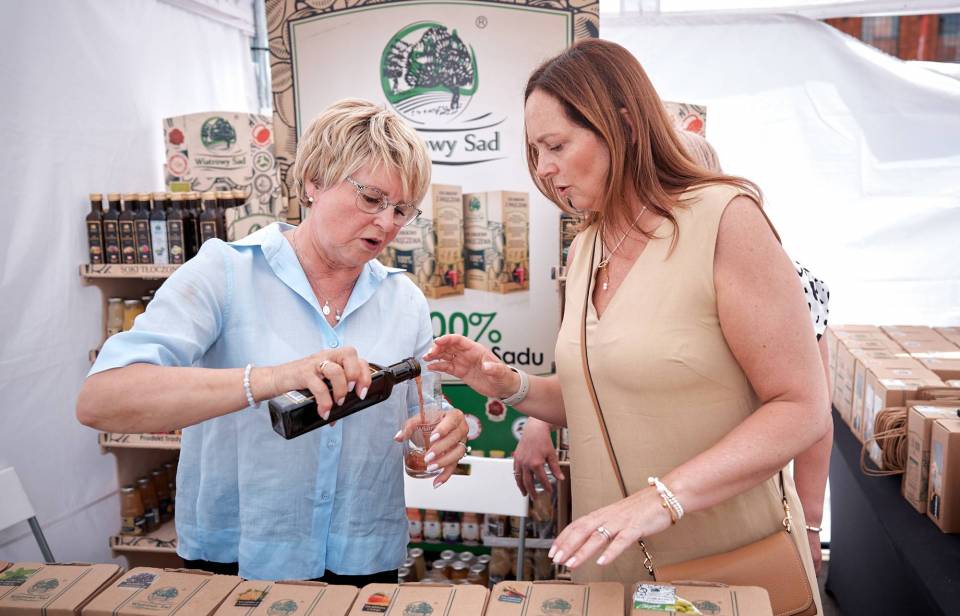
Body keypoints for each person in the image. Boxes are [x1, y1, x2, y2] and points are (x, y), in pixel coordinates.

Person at [424, 39, 828, 611]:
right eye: (535, 151)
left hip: (723, 569)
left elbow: (802, 406)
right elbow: (599, 398)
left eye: (556, 146)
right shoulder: (587, 246)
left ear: (624, 126)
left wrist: (660, 499)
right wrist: (507, 384)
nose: (544, 168)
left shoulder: (724, 219)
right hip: (611, 571)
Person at [76, 98, 469, 584]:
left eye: (403, 210)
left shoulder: (404, 300)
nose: (388, 223)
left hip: (363, 558)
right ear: (314, 182)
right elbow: (102, 400)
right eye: (371, 198)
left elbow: (423, 413)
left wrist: (443, 432)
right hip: (238, 559)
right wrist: (274, 378)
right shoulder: (224, 273)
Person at [514, 130, 834, 575]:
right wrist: (521, 397)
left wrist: (812, 523)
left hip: (726, 539)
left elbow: (808, 410)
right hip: (629, 544)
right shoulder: (602, 253)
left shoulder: (751, 254)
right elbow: (598, 373)